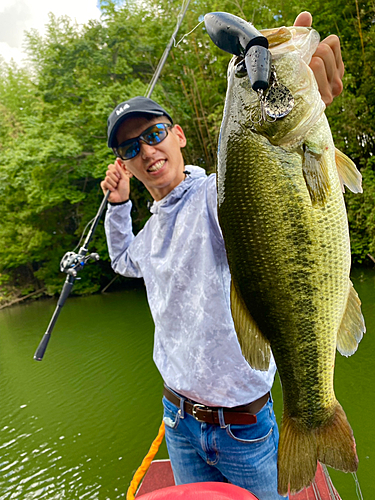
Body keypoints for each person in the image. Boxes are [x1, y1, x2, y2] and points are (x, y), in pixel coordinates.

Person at [100, 12, 345, 500]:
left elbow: (272, 189)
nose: (146, 150)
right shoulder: (149, 236)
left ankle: (312, 413)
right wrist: (119, 207)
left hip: (245, 427)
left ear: (180, 135)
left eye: (153, 134)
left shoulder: (218, 195)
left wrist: (299, 98)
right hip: (178, 422)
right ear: (125, 163)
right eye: (131, 147)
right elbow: (123, 260)